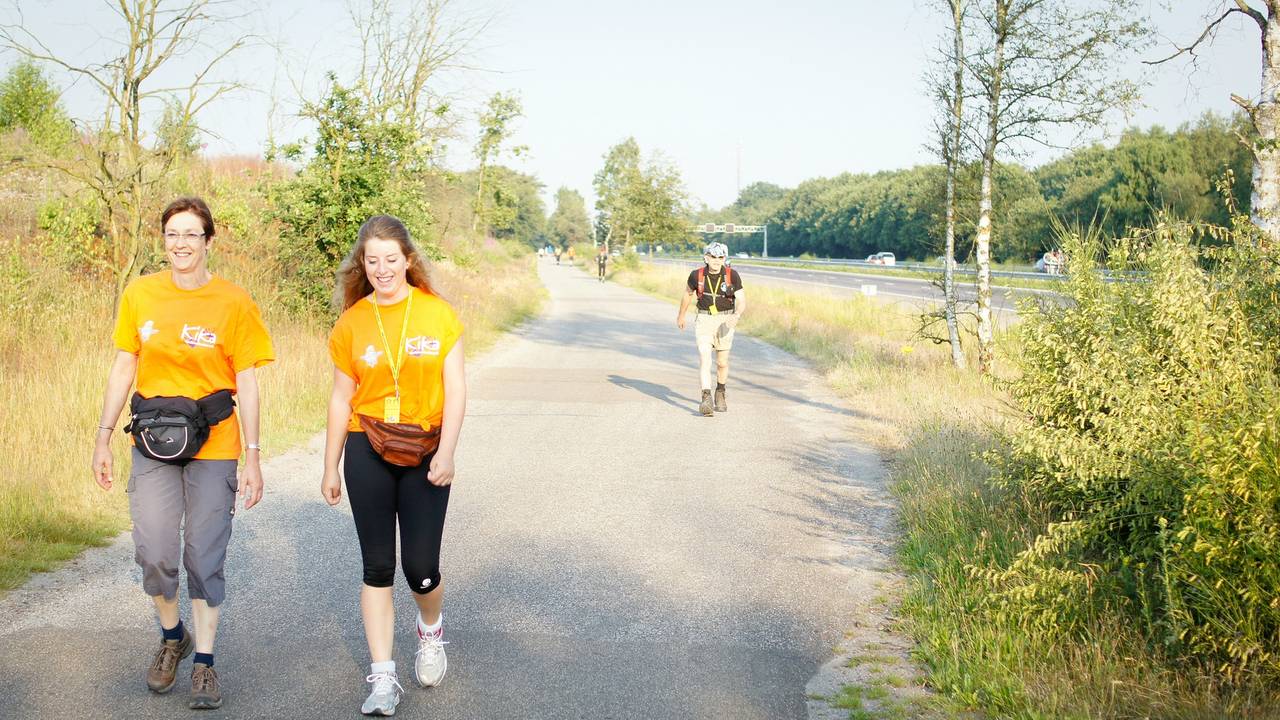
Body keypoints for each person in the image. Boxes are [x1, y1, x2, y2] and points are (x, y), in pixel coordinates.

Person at [91, 196, 274, 710]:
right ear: (164, 239)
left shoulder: (233, 301)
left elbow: (248, 381)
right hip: (152, 438)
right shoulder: (140, 295)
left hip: (215, 442)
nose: (181, 243)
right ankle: (173, 636)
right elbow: (124, 366)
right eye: (173, 233)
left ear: (209, 241)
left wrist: (254, 455)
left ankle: (205, 663)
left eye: (192, 234)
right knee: (153, 549)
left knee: (203, 549)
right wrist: (103, 436)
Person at [321, 215, 466, 717]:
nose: (382, 269)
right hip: (367, 445)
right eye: (372, 260)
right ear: (363, 264)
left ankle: (431, 633)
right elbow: (342, 398)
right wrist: (330, 464)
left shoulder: (437, 314)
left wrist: (447, 451)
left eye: (391, 259)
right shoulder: (352, 321)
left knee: (420, 569)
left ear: (408, 260)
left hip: (426, 448)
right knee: (377, 567)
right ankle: (383, 678)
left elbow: (456, 388)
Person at [676, 242, 745, 416]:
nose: (716, 260)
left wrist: (736, 315)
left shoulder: (732, 275)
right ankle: (706, 398)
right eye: (712, 257)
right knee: (704, 357)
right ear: (706, 257)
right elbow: (687, 294)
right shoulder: (696, 275)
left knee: (722, 363)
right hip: (704, 319)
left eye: (720, 257)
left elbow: (742, 299)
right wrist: (681, 315)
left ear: (724, 258)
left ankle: (720, 392)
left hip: (725, 319)